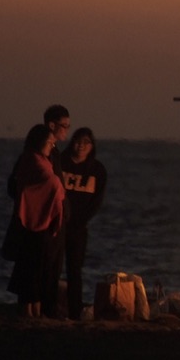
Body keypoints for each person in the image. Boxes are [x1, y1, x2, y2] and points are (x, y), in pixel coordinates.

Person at [7, 124, 66, 318]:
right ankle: (30, 313)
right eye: (49, 142)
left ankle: (34, 313)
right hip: (33, 224)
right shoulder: (33, 161)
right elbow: (53, 184)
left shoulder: (34, 160)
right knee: (32, 271)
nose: (52, 146)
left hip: (35, 223)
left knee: (33, 271)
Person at [60, 127, 107, 321]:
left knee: (75, 270)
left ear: (92, 146)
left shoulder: (97, 170)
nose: (81, 146)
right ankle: (46, 307)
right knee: (50, 267)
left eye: (86, 142)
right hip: (56, 223)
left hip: (78, 227)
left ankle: (75, 310)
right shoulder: (60, 163)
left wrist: (80, 221)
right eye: (78, 141)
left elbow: (96, 201)